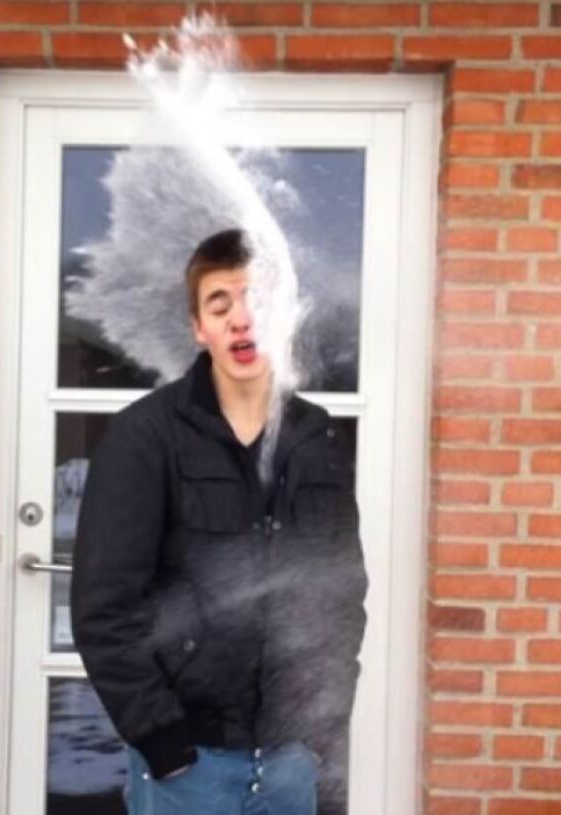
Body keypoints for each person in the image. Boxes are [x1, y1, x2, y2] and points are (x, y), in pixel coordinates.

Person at [71, 228, 368, 815]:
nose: (240, 318)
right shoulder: (145, 437)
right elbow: (103, 609)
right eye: (219, 303)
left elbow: (341, 592)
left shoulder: (317, 435)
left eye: (255, 300)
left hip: (290, 759)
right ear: (198, 328)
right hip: (187, 764)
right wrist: (164, 742)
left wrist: (318, 728)